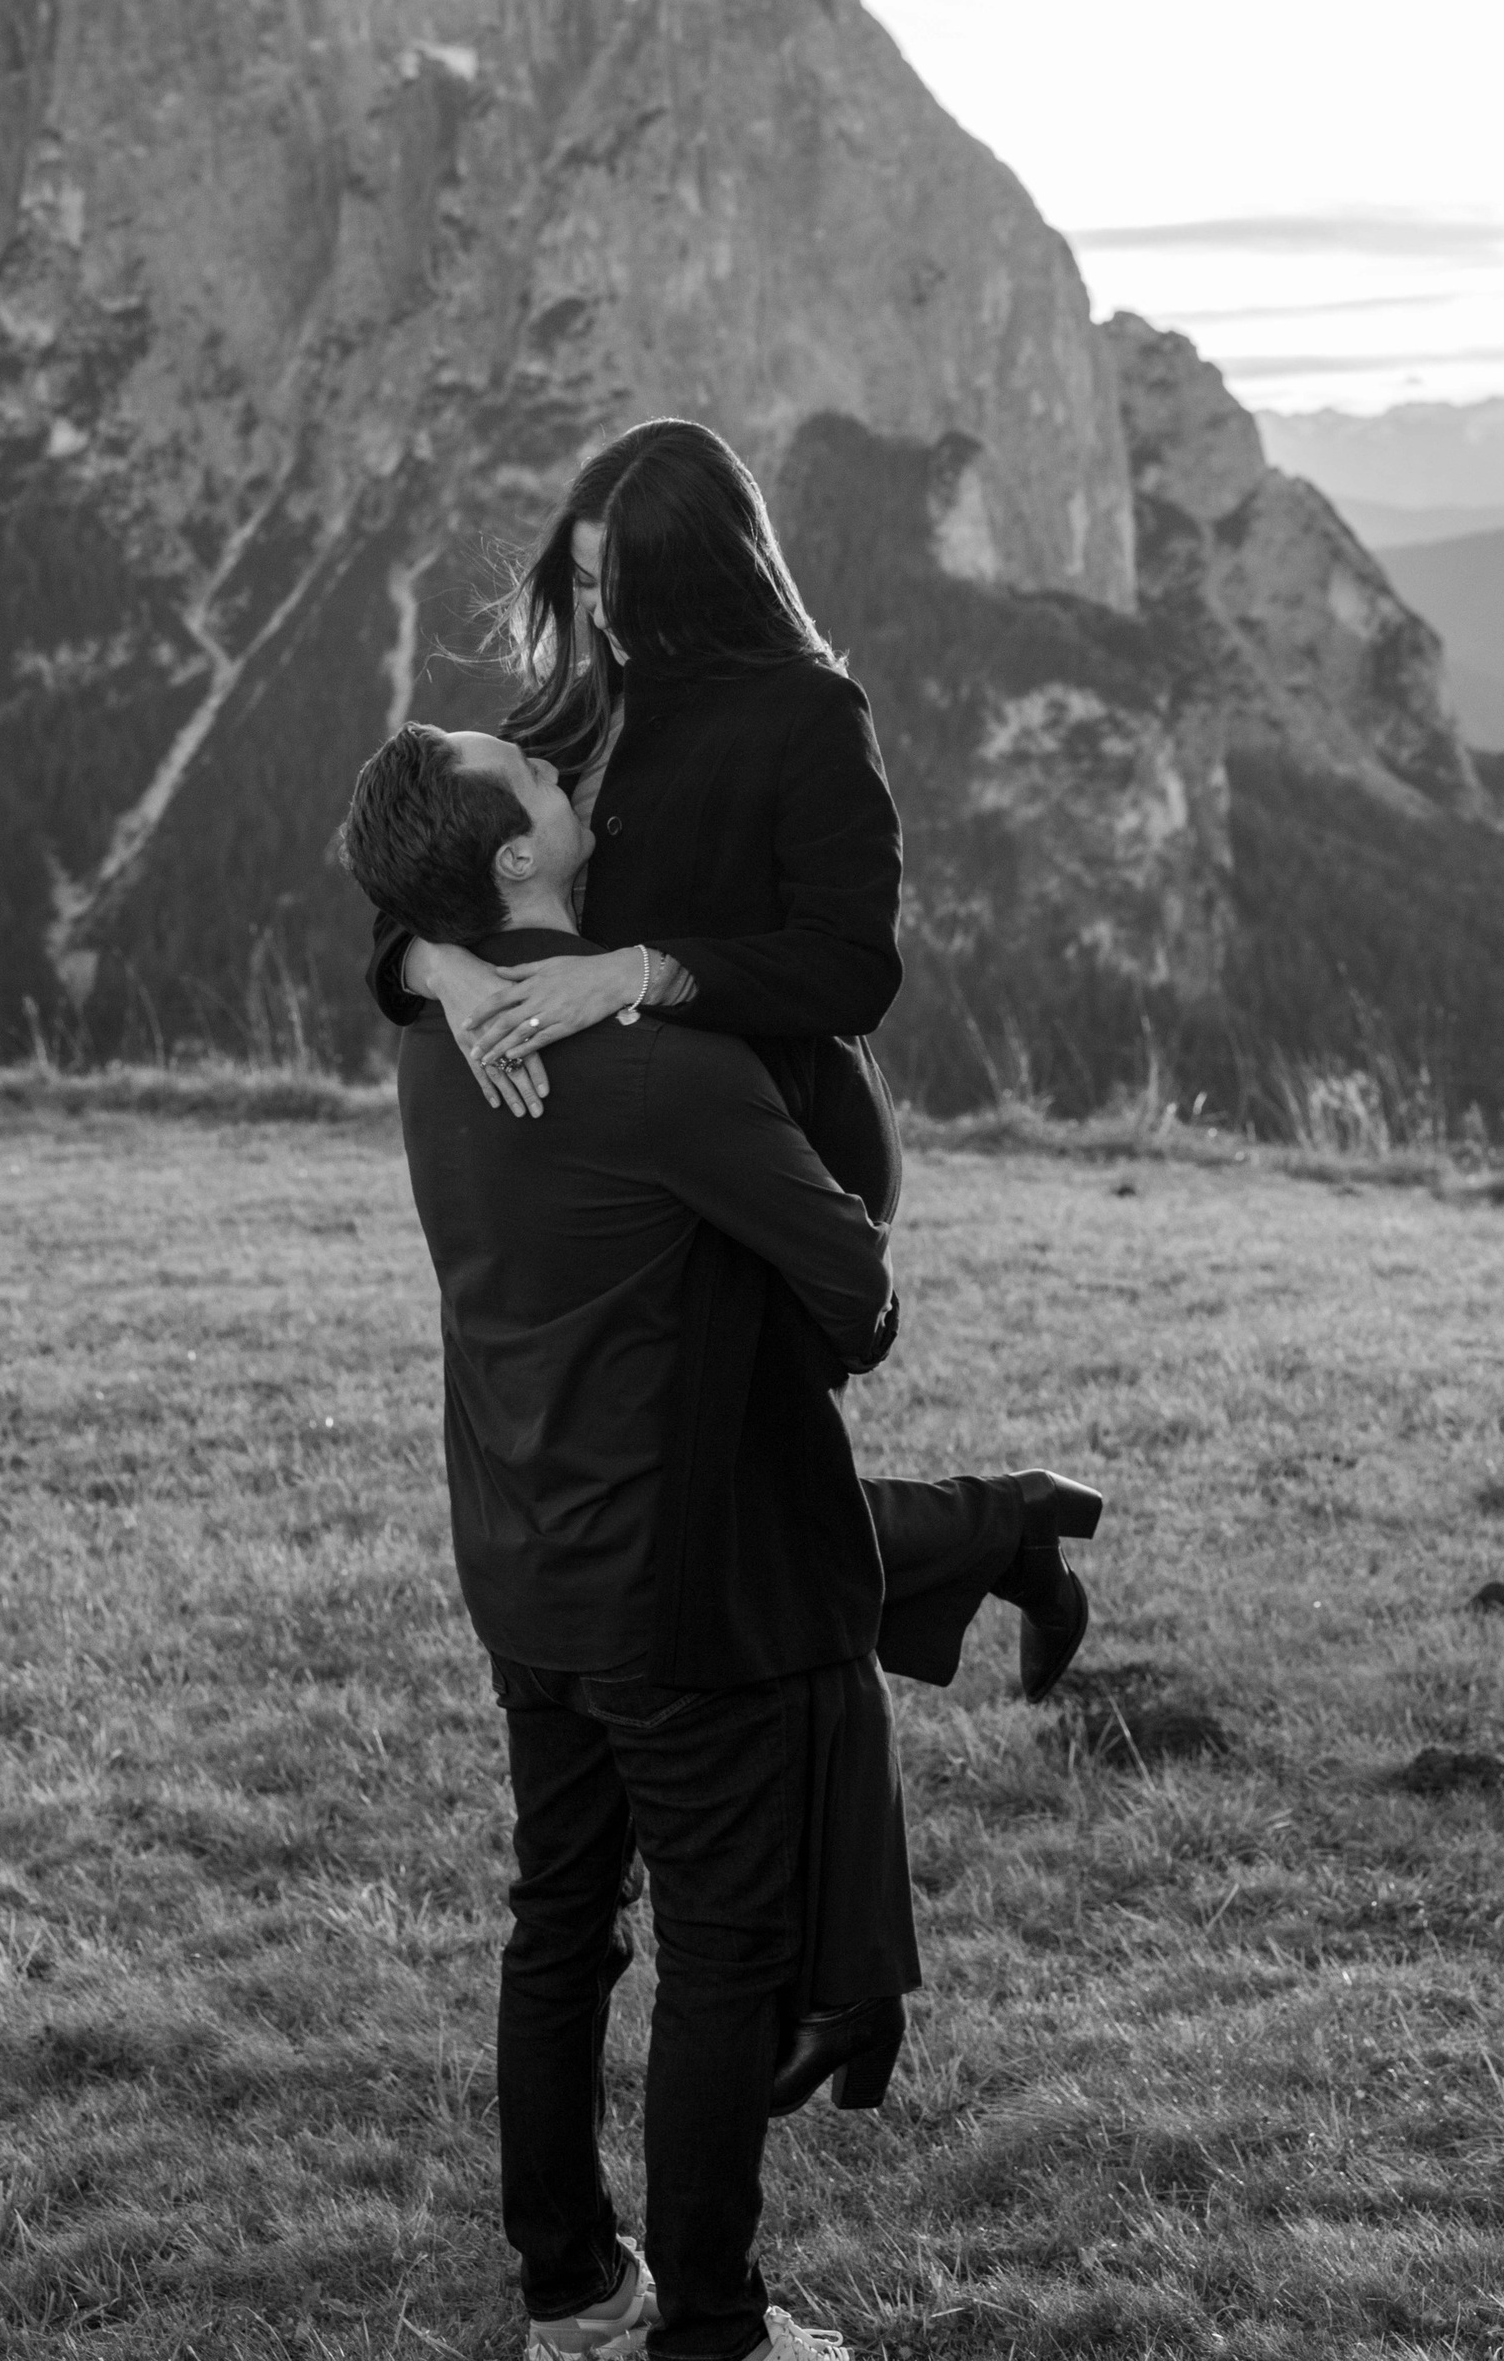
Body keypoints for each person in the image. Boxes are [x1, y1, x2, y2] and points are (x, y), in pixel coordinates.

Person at [365, 421, 1105, 1718]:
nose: (593, 614)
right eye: (582, 583)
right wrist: (441, 968)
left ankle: (960, 1570)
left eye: (621, 590)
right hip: (623, 1155)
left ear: (707, 579)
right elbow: (428, 874)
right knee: (701, 1500)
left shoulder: (808, 718)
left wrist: (641, 969)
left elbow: (851, 967)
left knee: (730, 1495)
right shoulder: (564, 715)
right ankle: (1000, 1534)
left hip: (777, 1136)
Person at [340, 713, 894, 2361]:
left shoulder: (440, 1033)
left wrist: (432, 963)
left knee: (561, 1921)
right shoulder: (670, 1072)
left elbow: (405, 944)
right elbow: (858, 1300)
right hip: (672, 1585)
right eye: (543, 778)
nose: (578, 781)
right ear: (518, 856)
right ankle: (716, 2330)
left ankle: (572, 2294)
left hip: (519, 1562)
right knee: (724, 1952)